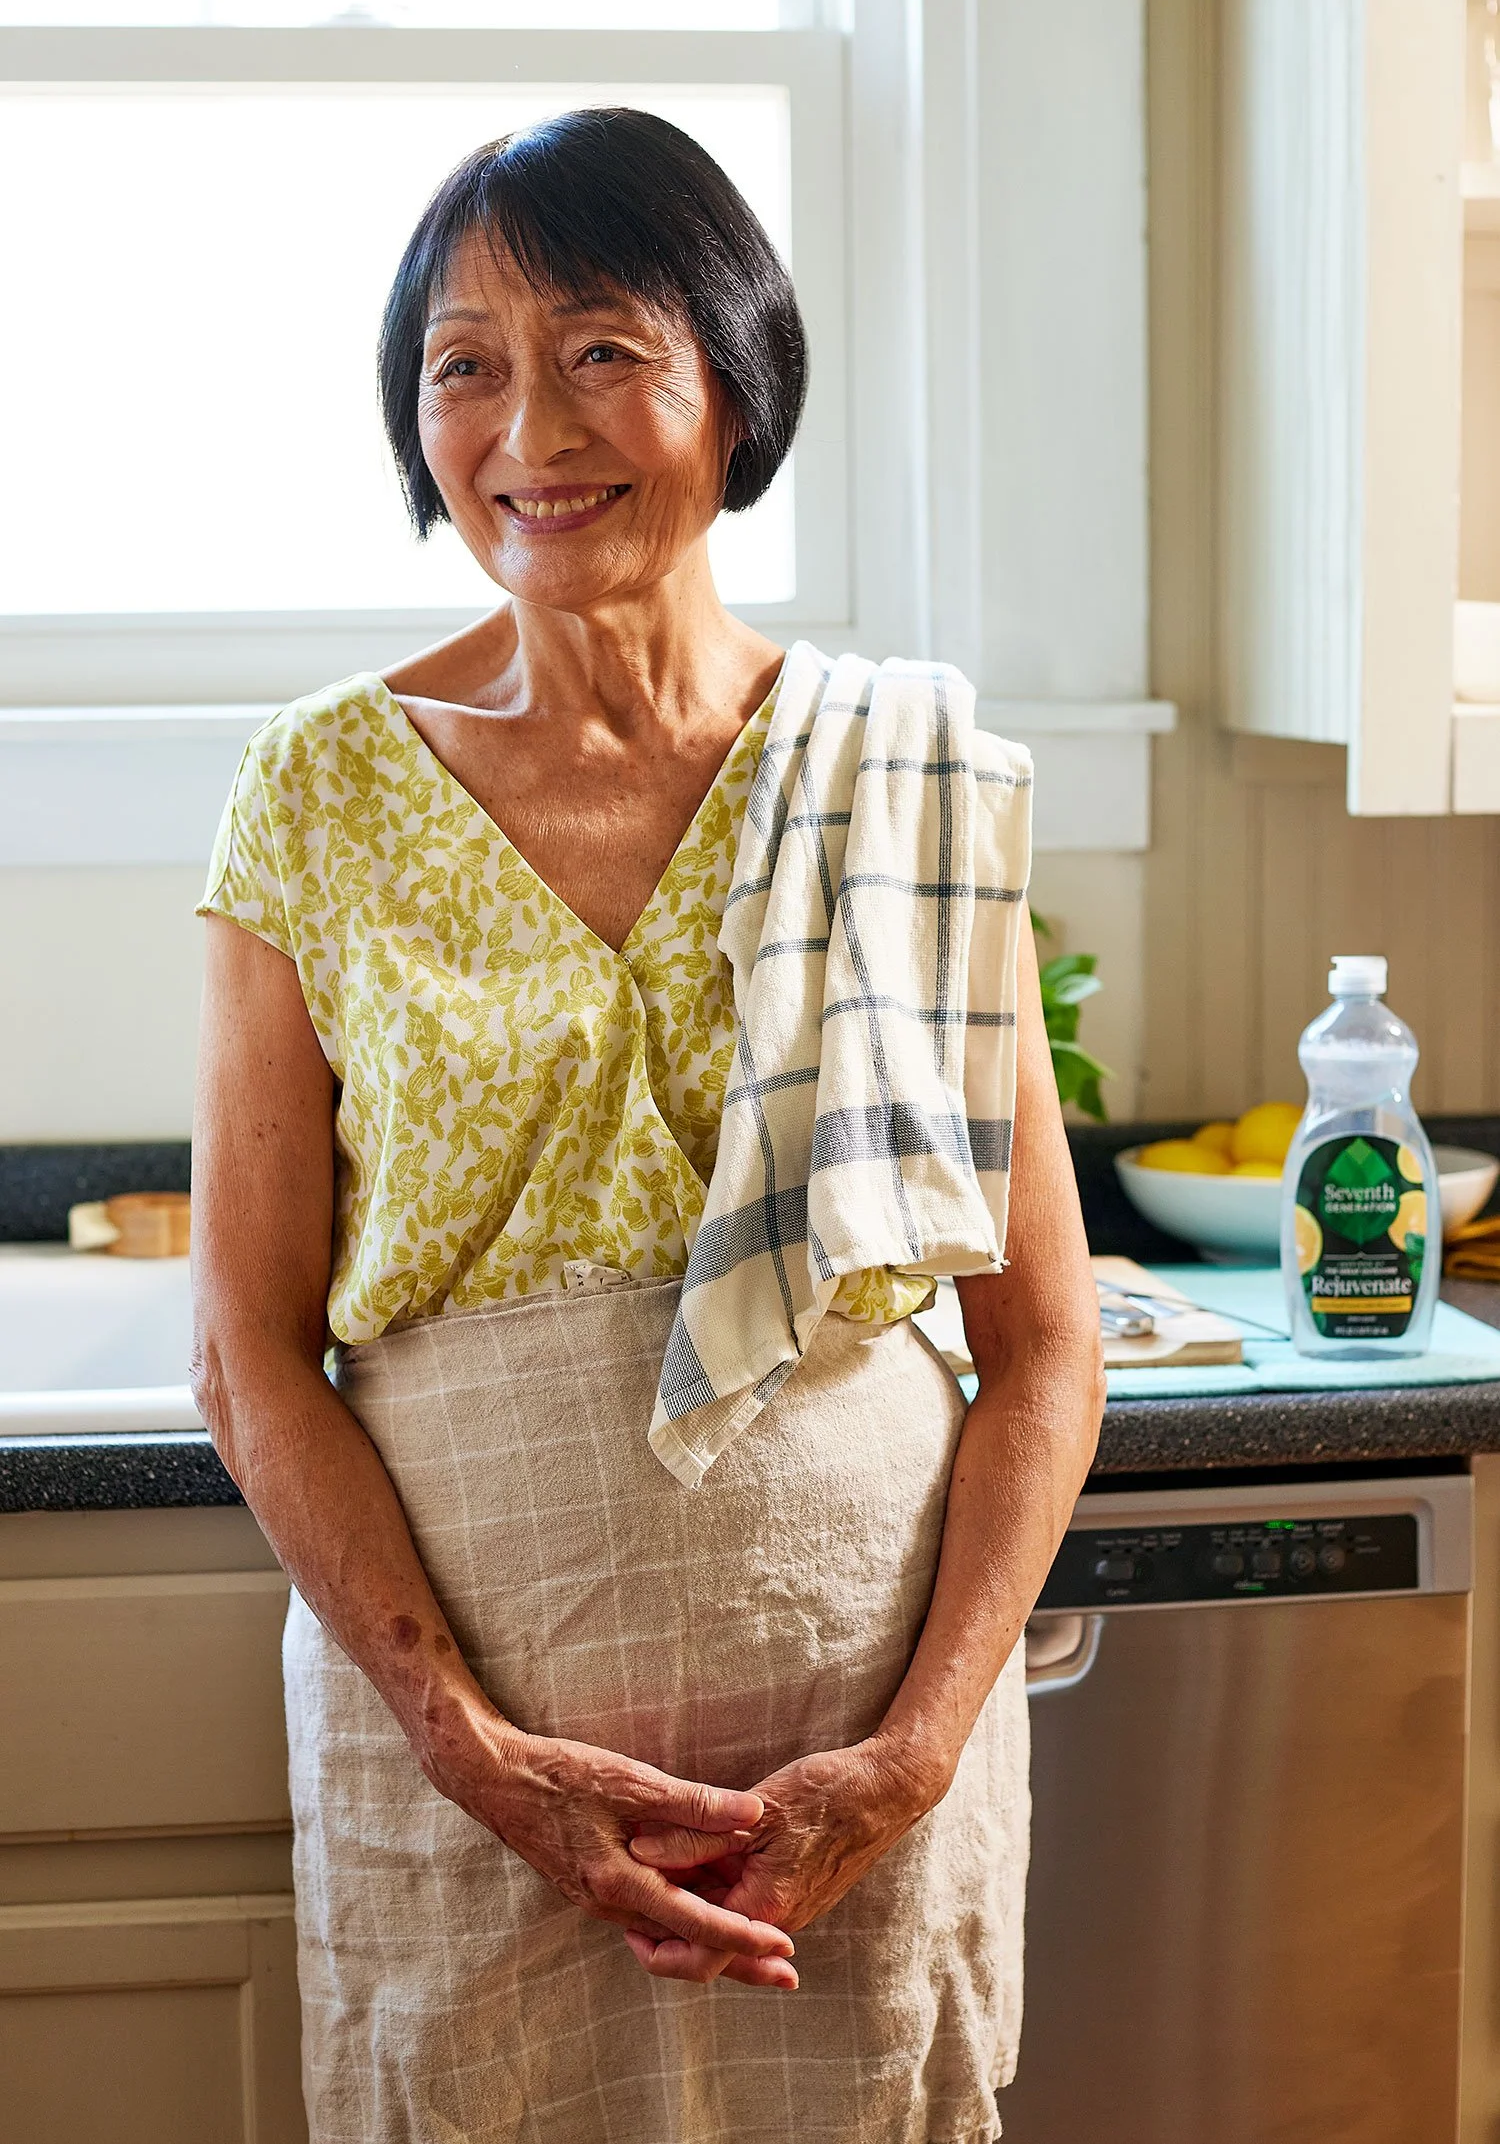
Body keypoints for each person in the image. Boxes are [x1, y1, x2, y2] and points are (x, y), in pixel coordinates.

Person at [190, 107, 1105, 2144]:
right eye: (464, 362)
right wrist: (469, 1739)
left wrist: (921, 1748)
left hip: (855, 1780)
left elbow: (1043, 1341)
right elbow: (249, 1347)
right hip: (468, 1779)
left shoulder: (903, 769)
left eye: (603, 345)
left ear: (734, 375)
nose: (531, 420)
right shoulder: (317, 794)